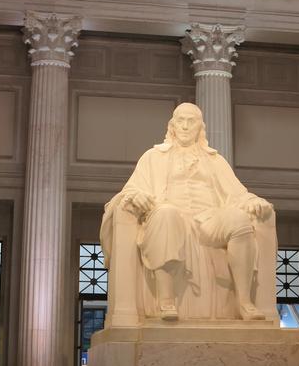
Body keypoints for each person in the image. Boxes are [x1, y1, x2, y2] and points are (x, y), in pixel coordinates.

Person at [101, 102, 273, 320]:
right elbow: (131, 189)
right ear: (172, 125)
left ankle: (244, 302)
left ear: (200, 127)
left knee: (239, 220)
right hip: (169, 216)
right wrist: (134, 195)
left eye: (191, 121)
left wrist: (253, 201)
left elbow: (238, 193)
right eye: (180, 121)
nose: (184, 126)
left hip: (208, 218)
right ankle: (166, 300)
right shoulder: (153, 157)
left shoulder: (215, 160)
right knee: (166, 214)